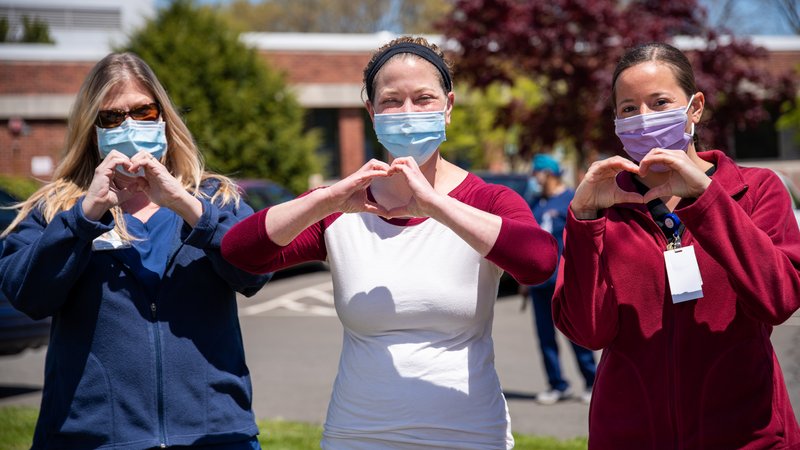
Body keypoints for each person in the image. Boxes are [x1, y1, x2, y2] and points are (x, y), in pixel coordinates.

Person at [221, 36, 558, 449]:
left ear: (448, 107)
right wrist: (326, 199)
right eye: (392, 101)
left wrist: (436, 205)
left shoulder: (488, 200)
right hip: (357, 433)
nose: (408, 112)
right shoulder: (343, 207)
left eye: (423, 98)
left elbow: (539, 261)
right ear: (371, 112)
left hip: (469, 433)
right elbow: (241, 252)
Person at [0, 53, 271, 449]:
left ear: (163, 117)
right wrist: (85, 215)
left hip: (214, 436)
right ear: (91, 129)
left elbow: (255, 273)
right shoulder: (55, 208)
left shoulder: (215, 198)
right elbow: (28, 296)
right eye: (111, 117)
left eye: (143, 112)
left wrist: (184, 203)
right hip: (90, 438)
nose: (129, 125)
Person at [552, 42, 800, 448]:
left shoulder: (756, 190)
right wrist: (584, 221)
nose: (643, 119)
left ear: (695, 107)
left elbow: (779, 299)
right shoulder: (603, 203)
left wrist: (707, 199)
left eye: (660, 102)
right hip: (628, 436)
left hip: (749, 436)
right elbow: (588, 331)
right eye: (628, 109)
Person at [524, 154, 595, 405]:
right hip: (538, 283)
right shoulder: (535, 202)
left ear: (549, 173)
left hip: (565, 282)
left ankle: (591, 381)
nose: (534, 178)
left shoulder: (571, 200)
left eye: (537, 173)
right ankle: (557, 384)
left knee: (575, 334)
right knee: (545, 337)